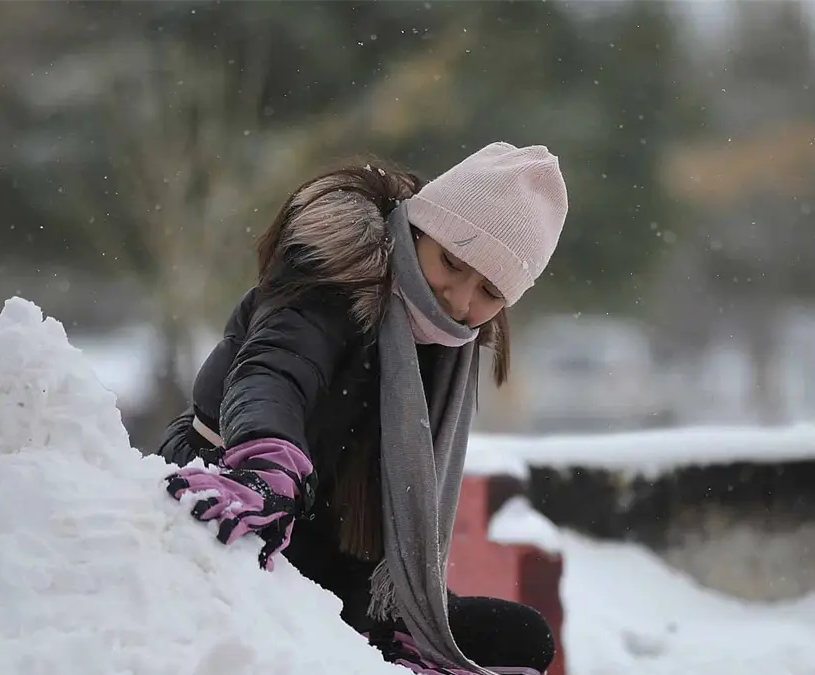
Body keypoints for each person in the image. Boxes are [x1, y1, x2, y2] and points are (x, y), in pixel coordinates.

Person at [156, 142, 569, 675]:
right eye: (451, 262)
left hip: (342, 560)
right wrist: (266, 460)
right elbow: (276, 370)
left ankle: (391, 632)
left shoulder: (449, 349)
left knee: (521, 641)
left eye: (489, 291)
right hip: (241, 495)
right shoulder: (335, 280)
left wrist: (407, 610)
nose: (459, 300)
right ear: (418, 230)